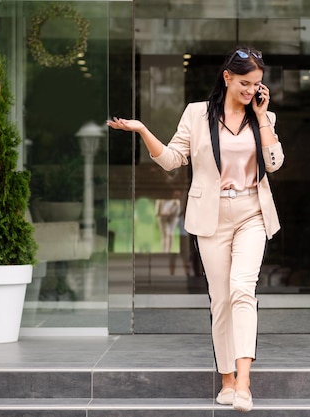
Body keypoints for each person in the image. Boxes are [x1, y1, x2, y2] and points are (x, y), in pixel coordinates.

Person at [107, 46, 284, 413]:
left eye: (257, 85)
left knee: (241, 290)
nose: (251, 91)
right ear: (227, 77)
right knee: (220, 299)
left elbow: (275, 163)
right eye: (245, 83)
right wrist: (141, 130)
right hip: (212, 215)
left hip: (252, 210)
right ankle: (227, 382)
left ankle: (245, 383)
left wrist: (263, 118)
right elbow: (173, 160)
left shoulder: (261, 117)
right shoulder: (197, 114)